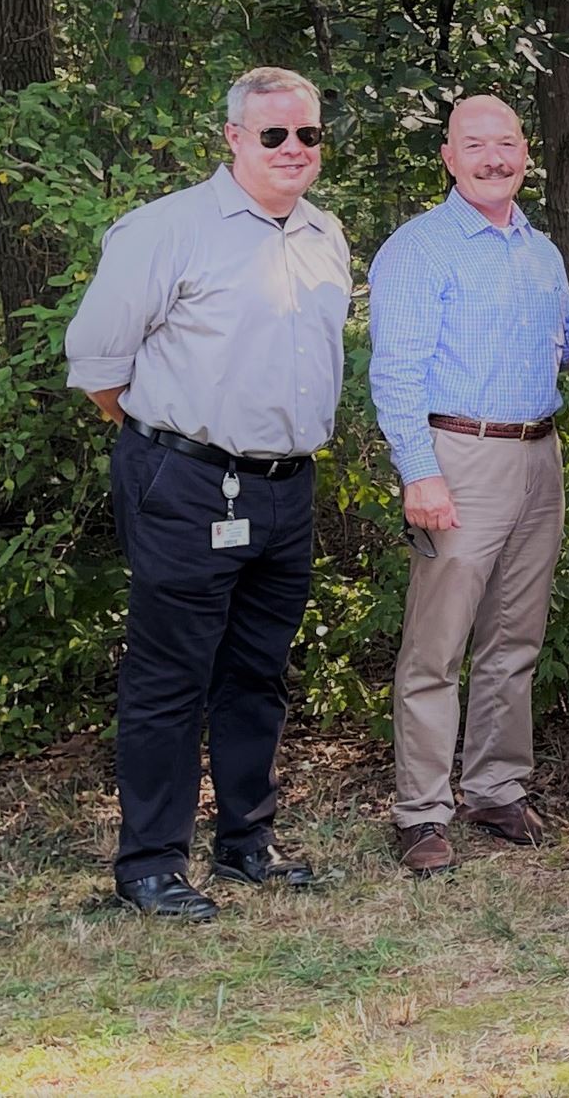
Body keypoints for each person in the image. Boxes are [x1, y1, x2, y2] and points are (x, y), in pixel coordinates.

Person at [64, 66, 350, 920]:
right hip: (185, 479)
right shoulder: (167, 230)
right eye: (274, 135)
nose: (294, 148)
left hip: (284, 485)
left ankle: (246, 847)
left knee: (257, 672)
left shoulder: (324, 233)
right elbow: (98, 363)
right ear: (232, 138)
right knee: (169, 676)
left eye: (308, 134)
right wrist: (176, 441)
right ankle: (150, 865)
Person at [370, 95, 569, 877]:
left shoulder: (540, 251)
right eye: (476, 145)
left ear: (527, 152)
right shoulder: (422, 248)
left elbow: (566, 348)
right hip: (458, 456)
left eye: (508, 143)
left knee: (515, 638)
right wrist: (419, 472)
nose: (495, 158)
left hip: (538, 456)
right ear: (449, 158)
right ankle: (421, 810)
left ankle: (495, 787)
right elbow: (394, 372)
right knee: (437, 646)